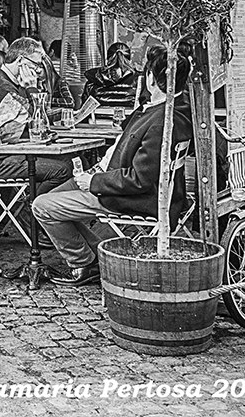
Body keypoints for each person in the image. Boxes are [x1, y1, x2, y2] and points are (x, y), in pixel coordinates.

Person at [32, 45, 194, 286]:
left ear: (150, 78)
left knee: (42, 205)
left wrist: (94, 181)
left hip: (133, 198)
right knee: (56, 196)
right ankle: (103, 254)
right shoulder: (170, 110)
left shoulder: (161, 120)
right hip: (140, 190)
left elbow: (140, 180)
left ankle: (84, 263)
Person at [0, 38, 72, 194]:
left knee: (73, 161)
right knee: (63, 169)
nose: (39, 70)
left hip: (10, 153)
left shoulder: (9, 82)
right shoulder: (3, 87)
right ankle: (34, 209)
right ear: (21, 60)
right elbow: (39, 121)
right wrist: (32, 88)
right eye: (36, 64)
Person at [83, 42, 138, 108]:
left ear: (108, 58)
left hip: (98, 117)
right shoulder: (138, 79)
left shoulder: (93, 78)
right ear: (129, 58)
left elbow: (84, 108)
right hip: (130, 117)